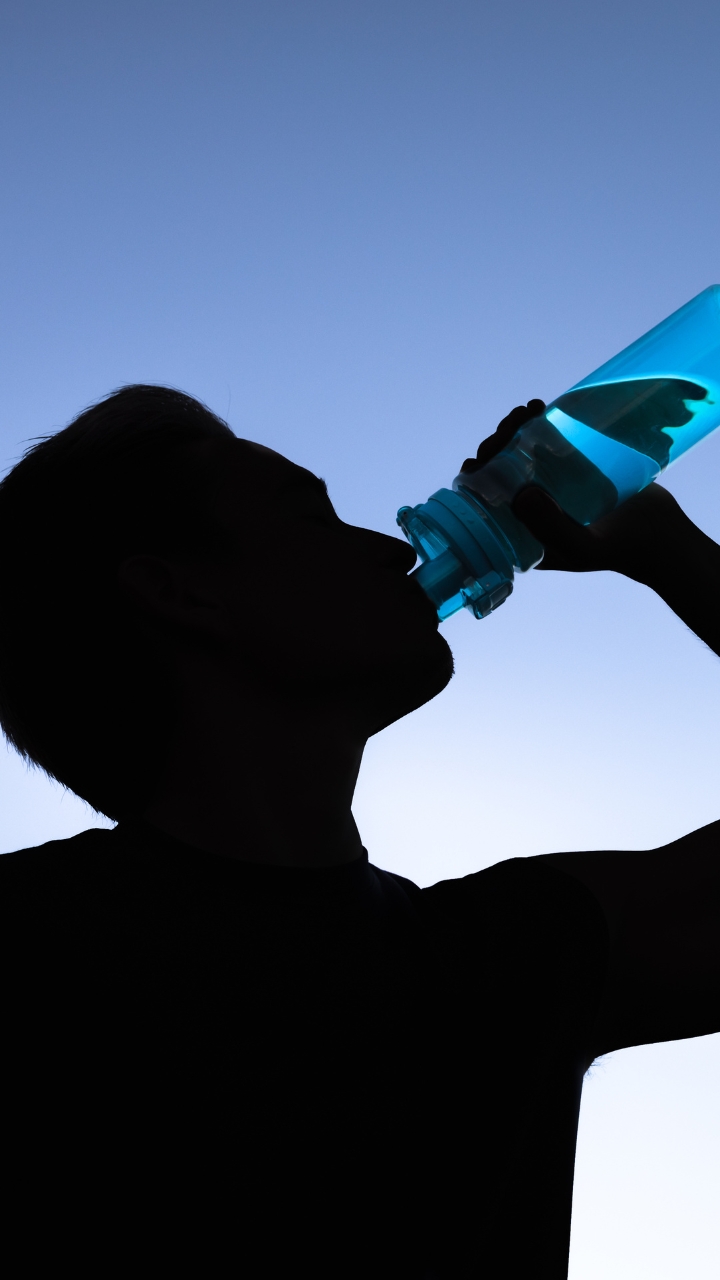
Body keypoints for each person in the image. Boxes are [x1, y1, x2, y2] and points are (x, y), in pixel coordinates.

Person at [0, 385, 717, 1278]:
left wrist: (662, 544)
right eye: (312, 517)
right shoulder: (509, 970)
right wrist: (676, 563)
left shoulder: (520, 960)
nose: (391, 546)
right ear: (179, 593)